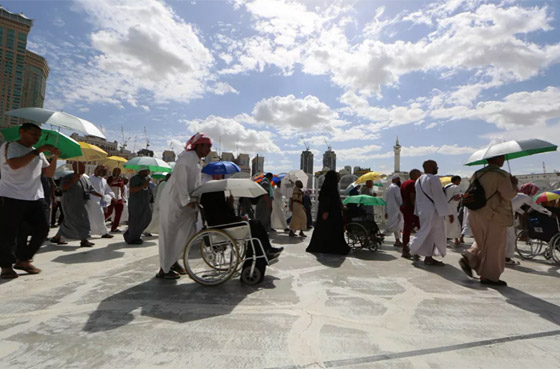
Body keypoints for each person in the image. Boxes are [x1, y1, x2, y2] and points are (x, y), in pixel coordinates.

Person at [0, 123, 60, 279]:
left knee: (43, 229)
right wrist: (38, 150)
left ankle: (23, 259)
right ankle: (6, 265)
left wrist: (55, 159)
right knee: (9, 234)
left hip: (35, 196)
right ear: (22, 132)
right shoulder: (10, 146)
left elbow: (48, 173)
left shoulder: (37, 154)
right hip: (11, 195)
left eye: (38, 136)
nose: (37, 138)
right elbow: (14, 165)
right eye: (34, 134)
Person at [158, 132, 212, 279]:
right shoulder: (186, 158)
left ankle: (172, 261)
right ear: (198, 145)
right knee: (169, 235)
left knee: (186, 232)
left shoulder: (197, 161)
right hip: (174, 202)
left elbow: (194, 184)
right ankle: (164, 269)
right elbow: (181, 181)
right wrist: (186, 200)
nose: (209, 149)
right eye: (207, 145)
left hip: (185, 204)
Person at [459, 155, 518, 286]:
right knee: (495, 245)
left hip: (475, 212)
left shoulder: (477, 174)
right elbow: (508, 195)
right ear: (497, 159)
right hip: (494, 214)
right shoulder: (502, 175)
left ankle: (469, 257)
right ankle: (490, 276)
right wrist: (514, 184)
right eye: (501, 158)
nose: (503, 160)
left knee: (482, 241)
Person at [200, 190, 283, 258]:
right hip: (223, 225)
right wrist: (238, 217)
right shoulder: (215, 199)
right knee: (255, 224)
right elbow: (224, 217)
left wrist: (230, 204)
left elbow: (225, 215)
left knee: (256, 223)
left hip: (222, 223)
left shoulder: (210, 198)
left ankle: (266, 249)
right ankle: (266, 249)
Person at [410, 160, 452, 265]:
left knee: (430, 233)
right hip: (433, 211)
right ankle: (412, 246)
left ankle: (428, 257)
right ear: (429, 167)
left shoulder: (419, 180)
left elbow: (418, 198)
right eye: (435, 166)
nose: (437, 168)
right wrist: (448, 212)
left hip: (423, 211)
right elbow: (439, 196)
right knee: (430, 232)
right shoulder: (433, 179)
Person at [51, 161, 100, 247]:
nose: (84, 168)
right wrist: (74, 179)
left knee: (69, 222)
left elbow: (91, 189)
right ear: (75, 168)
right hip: (70, 204)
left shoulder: (85, 178)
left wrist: (101, 195)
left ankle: (57, 237)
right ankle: (84, 240)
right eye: (82, 167)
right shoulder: (68, 177)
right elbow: (63, 187)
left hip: (81, 204)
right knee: (78, 221)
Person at [505, 184, 551, 265]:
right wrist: (549, 212)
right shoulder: (525, 197)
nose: (534, 194)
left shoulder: (516, 195)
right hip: (506, 217)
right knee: (510, 238)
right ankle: (507, 258)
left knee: (504, 238)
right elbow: (536, 207)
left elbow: (513, 206)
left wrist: (522, 212)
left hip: (500, 216)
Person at [306, 170, 350, 255]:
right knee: (326, 229)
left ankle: (332, 247)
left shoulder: (333, 186)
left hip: (334, 213)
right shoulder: (327, 187)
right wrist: (325, 211)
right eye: (337, 177)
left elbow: (336, 199)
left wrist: (341, 207)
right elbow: (324, 200)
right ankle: (327, 247)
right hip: (328, 213)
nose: (339, 179)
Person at [124, 167, 152, 245]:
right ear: (141, 171)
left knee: (146, 218)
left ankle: (131, 234)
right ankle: (132, 238)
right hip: (136, 203)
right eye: (147, 171)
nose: (148, 172)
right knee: (135, 220)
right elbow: (133, 190)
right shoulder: (135, 178)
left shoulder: (144, 179)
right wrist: (144, 185)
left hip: (144, 203)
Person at [87, 165, 114, 239]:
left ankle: (91, 232)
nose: (104, 173)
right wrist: (101, 196)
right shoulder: (90, 179)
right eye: (102, 171)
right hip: (92, 201)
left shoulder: (103, 180)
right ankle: (104, 233)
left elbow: (107, 190)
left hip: (100, 202)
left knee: (97, 217)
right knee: (99, 217)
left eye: (105, 171)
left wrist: (111, 196)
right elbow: (90, 190)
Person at [400, 169, 421, 258]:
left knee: (407, 228)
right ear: (415, 175)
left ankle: (405, 248)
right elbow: (413, 197)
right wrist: (417, 209)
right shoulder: (413, 183)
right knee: (422, 227)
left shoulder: (404, 183)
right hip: (411, 208)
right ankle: (416, 248)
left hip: (404, 207)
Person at [443, 176, 463, 246]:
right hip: (452, 207)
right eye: (459, 181)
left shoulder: (446, 186)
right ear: (457, 180)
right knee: (454, 224)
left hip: (444, 207)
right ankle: (456, 240)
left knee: (446, 224)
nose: (459, 183)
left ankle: (445, 239)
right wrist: (462, 196)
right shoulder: (456, 187)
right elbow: (455, 198)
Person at [384, 175, 403, 247]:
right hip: (396, 210)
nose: (399, 181)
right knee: (396, 226)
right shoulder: (396, 188)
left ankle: (397, 241)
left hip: (391, 210)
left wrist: (386, 211)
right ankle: (397, 240)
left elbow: (386, 200)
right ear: (395, 180)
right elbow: (399, 199)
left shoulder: (389, 188)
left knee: (395, 226)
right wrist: (402, 207)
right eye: (398, 179)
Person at [105, 167, 125, 232]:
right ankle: (100, 222)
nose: (117, 172)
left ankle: (114, 227)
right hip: (111, 197)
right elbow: (107, 186)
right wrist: (113, 181)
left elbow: (122, 187)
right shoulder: (110, 178)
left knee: (118, 213)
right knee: (109, 212)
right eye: (116, 171)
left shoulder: (121, 179)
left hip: (119, 198)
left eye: (118, 171)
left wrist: (122, 196)